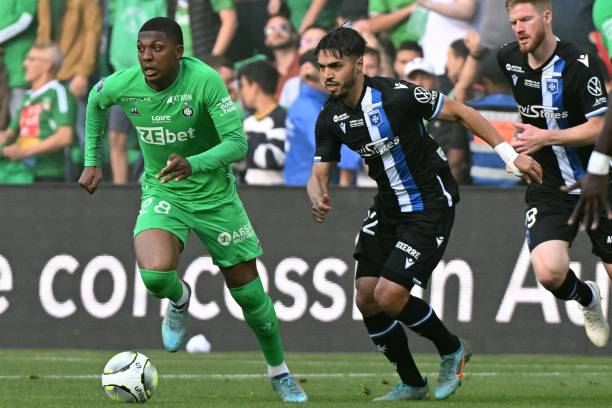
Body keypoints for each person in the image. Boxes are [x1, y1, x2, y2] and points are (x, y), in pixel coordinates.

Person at [78, 17, 307, 403]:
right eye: (141, 48)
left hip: (215, 196)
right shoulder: (124, 83)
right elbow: (96, 101)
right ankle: (180, 297)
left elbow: (237, 143)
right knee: (153, 276)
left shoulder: (204, 81)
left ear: (179, 53)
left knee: (251, 298)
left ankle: (279, 371)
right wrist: (92, 160)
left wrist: (194, 162)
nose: (147, 57)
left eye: (157, 49)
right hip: (163, 189)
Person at [308, 26, 541, 401]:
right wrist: (317, 193)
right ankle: (413, 383)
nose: (327, 74)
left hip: (429, 204)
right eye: (321, 67)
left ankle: (452, 349)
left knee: (388, 296)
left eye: (335, 66)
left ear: (359, 64)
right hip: (387, 207)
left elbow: (463, 113)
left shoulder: (397, 96)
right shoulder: (330, 116)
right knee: (365, 296)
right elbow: (319, 172)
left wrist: (509, 155)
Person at [498, 0, 610, 347]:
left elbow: (601, 125)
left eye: (526, 19)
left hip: (598, 181)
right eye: (513, 21)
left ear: (547, 17)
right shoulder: (508, 59)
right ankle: (587, 299)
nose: (519, 27)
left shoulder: (580, 62)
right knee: (549, 272)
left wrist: (547, 136)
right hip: (550, 184)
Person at [0, 43, 76, 183]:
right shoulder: (29, 97)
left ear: (47, 65)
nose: (24, 64)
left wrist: (23, 152)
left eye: (31, 59)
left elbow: (65, 136)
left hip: (47, 176)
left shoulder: (58, 92)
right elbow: (9, 134)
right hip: (23, 172)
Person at [238, 60, 286, 185]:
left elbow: (272, 158)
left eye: (243, 86)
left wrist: (244, 142)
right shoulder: (248, 121)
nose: (242, 92)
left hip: (275, 192)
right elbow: (241, 162)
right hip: (249, 189)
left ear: (254, 87)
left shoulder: (280, 118)